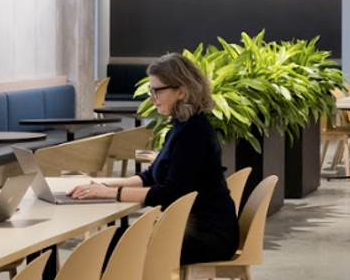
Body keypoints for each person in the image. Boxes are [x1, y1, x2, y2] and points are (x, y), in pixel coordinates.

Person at [70, 51, 240, 264]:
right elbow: (150, 177)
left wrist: (113, 193)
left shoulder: (194, 132)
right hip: (190, 228)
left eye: (157, 91)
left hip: (208, 236)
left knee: (105, 247)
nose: (152, 98)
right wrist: (104, 186)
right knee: (108, 243)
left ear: (181, 91)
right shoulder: (182, 125)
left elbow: (172, 193)